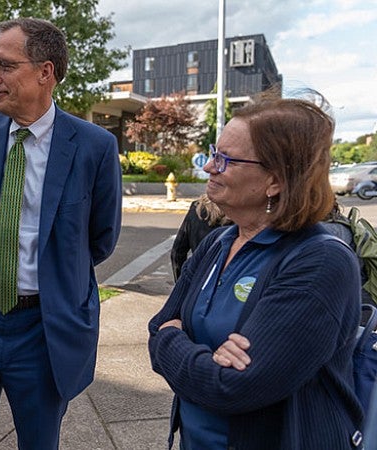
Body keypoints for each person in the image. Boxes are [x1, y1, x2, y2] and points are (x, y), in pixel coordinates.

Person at [0, 18, 122, 449]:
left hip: (45, 327)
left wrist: (53, 278)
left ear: (45, 72)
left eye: (4, 65)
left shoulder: (94, 145)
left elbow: (102, 238)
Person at [148, 92, 364, 449]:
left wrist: (173, 340)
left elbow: (234, 386)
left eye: (226, 159)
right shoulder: (218, 242)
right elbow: (158, 323)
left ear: (275, 181)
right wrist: (204, 354)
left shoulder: (319, 262)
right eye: (214, 153)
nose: (209, 167)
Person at [170, 193, 230, 281]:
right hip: (228, 281)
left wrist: (181, 283)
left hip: (199, 278)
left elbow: (177, 252)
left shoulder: (197, 208)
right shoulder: (241, 214)